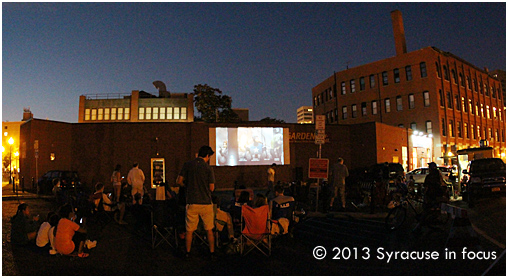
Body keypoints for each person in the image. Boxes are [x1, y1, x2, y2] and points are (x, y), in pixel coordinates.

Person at [176, 145, 216, 258]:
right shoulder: (208, 168)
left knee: (189, 230)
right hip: (206, 203)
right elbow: (211, 188)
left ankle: (188, 252)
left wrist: (187, 185)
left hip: (192, 202)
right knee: (209, 230)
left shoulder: (188, 165)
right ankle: (212, 252)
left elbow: (179, 181)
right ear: (207, 156)